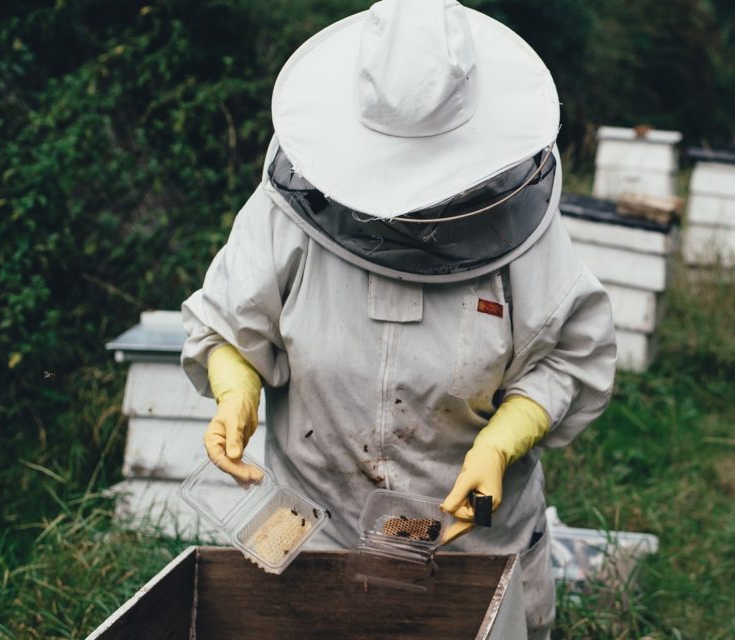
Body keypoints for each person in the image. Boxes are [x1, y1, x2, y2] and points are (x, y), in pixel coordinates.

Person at [179, 1, 616, 636]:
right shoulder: (287, 214)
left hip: (472, 551)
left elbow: (565, 357)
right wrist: (235, 390)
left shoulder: (526, 233)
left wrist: (501, 443)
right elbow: (229, 323)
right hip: (312, 540)